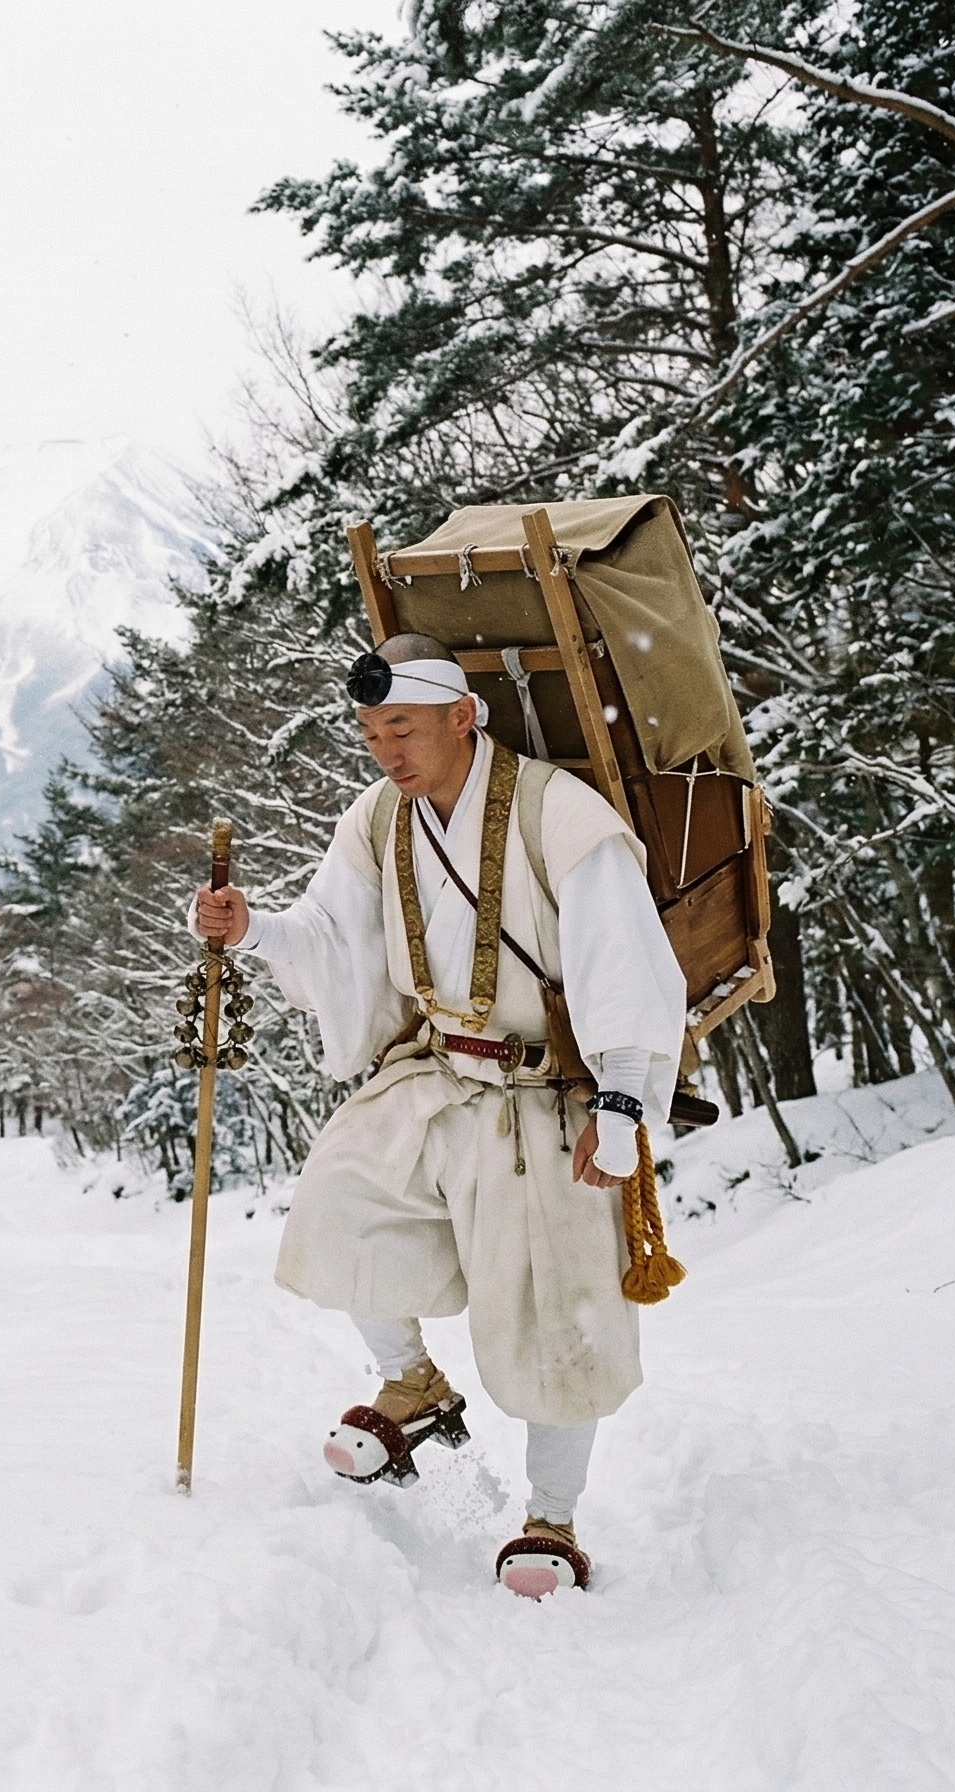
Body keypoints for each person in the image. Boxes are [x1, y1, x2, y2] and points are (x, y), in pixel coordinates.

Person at [192, 633, 686, 1598]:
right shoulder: (380, 818)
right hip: (438, 1072)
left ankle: (551, 1516)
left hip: (549, 1093)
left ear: (464, 717)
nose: (386, 752)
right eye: (373, 733)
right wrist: (252, 929)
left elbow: (623, 957)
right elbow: (333, 936)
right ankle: (414, 1388)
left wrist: (623, 1099)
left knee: (555, 1308)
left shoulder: (559, 813)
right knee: (340, 1202)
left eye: (403, 729)